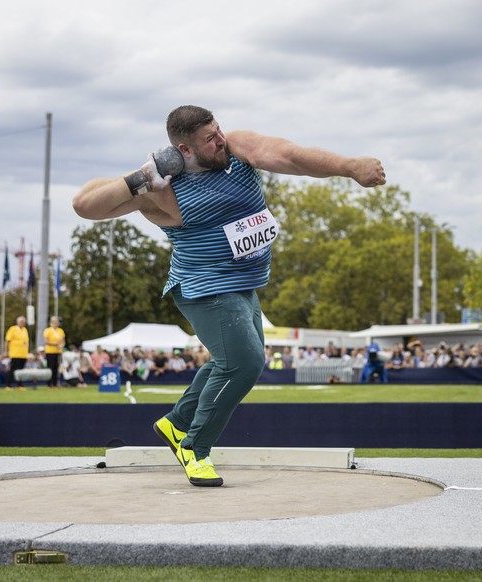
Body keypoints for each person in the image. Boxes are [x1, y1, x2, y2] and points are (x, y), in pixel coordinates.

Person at [73, 105, 384, 487]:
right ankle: (195, 447)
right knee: (245, 362)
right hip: (203, 287)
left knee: (232, 360)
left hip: (244, 284)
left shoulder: (238, 149)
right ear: (184, 150)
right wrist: (141, 176)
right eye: (209, 138)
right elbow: (84, 204)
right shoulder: (162, 190)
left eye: (217, 130)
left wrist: (349, 166)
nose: (220, 140)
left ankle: (177, 423)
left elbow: (290, 155)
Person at [4, 316, 29, 388]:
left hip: (23, 354)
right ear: (17, 322)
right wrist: (6, 351)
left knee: (21, 371)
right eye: (21, 321)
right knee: (13, 369)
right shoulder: (12, 329)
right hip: (15, 353)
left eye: (23, 322)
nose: (22, 323)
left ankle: (20, 385)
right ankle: (8, 385)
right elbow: (7, 341)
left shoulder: (25, 330)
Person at [43, 316, 66, 387]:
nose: (56, 324)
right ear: (51, 323)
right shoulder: (48, 330)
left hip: (58, 352)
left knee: (56, 368)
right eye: (54, 322)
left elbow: (63, 341)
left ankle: (55, 384)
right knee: (50, 368)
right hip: (50, 352)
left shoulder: (60, 331)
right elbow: (46, 341)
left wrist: (61, 346)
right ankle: (49, 384)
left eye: (57, 322)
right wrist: (56, 344)